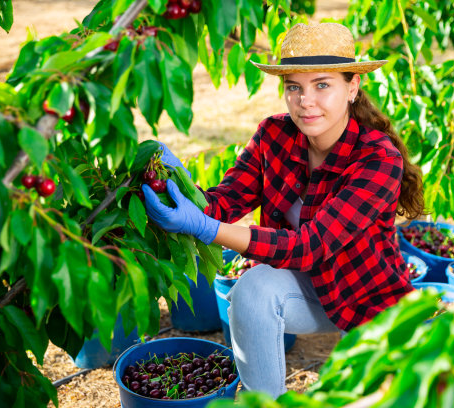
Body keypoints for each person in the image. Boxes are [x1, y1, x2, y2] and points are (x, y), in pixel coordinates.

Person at [142, 22, 424, 398]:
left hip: (363, 298)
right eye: (294, 87)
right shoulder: (274, 135)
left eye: (322, 84)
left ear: (352, 87)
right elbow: (224, 201)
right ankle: (263, 404)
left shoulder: (377, 158)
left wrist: (206, 229)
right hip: (302, 290)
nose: (306, 100)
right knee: (251, 289)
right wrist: (176, 184)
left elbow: (310, 245)